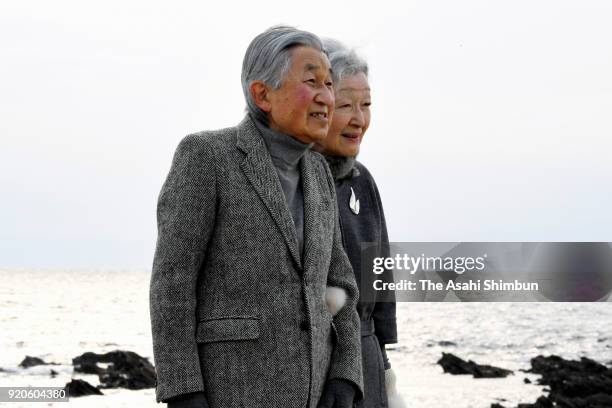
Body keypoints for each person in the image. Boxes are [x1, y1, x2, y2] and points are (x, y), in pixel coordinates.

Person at [149, 26, 364, 408]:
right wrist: (183, 390)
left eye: (329, 84)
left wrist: (346, 374)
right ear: (262, 94)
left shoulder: (318, 172)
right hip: (230, 391)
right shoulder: (206, 156)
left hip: (315, 394)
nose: (326, 97)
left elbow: (340, 283)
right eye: (312, 81)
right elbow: (172, 284)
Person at [314, 39, 404, 408]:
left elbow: (379, 280)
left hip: (367, 359)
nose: (359, 119)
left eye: (366, 106)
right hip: (315, 364)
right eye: (346, 105)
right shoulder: (290, 181)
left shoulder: (363, 181)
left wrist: (385, 371)